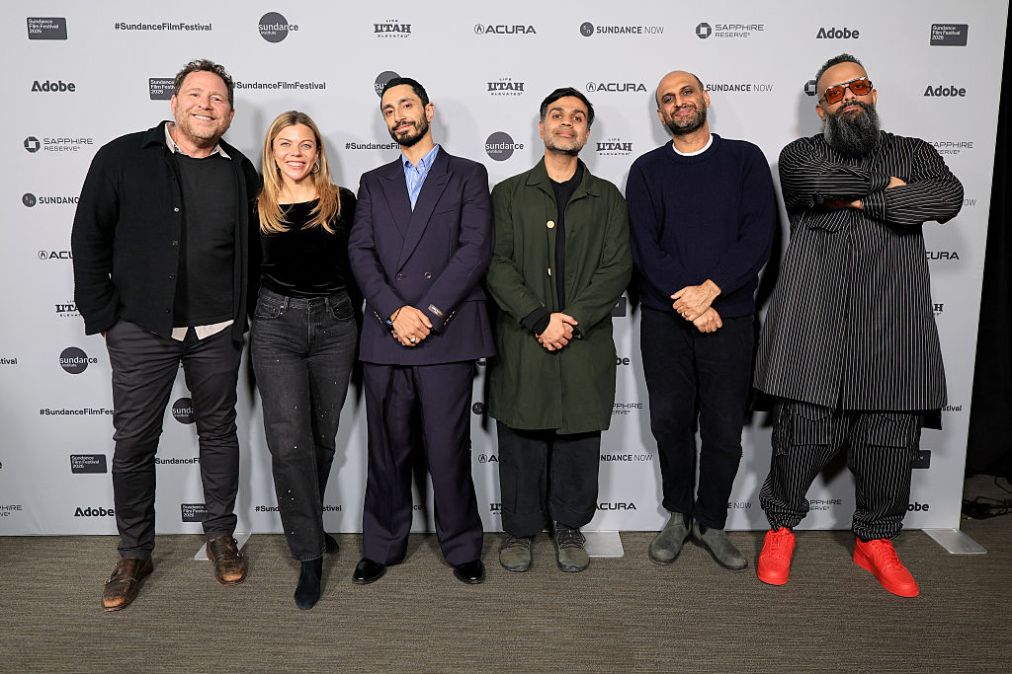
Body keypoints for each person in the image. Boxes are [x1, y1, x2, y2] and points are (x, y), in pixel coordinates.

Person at [753, 54, 963, 597]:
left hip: (894, 323)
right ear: (820, 105)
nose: (848, 97)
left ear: (872, 94)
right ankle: (780, 529)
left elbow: (946, 196)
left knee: (890, 439)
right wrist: (891, 194)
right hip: (813, 323)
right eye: (834, 92)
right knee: (801, 435)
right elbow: (813, 182)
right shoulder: (799, 153)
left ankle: (877, 540)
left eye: (858, 86)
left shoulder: (914, 152)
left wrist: (860, 197)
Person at [71, 59, 260, 611]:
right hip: (140, 329)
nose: (206, 105)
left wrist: (243, 314)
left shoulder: (240, 169)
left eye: (217, 98)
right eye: (195, 95)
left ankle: (220, 534)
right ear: (173, 104)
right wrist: (104, 317)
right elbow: (88, 236)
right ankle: (134, 552)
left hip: (218, 329)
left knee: (219, 435)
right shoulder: (123, 156)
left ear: (229, 112)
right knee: (133, 443)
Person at [625, 71, 777, 570]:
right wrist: (687, 302)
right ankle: (677, 513)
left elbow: (759, 235)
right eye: (667, 99)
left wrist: (710, 293)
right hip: (665, 320)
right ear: (660, 114)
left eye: (686, 92)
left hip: (729, 319)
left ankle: (711, 520)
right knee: (669, 423)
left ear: (705, 98)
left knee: (723, 429)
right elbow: (646, 246)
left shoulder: (745, 158)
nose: (679, 103)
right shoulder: (646, 170)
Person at [347, 77, 494, 585]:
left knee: (449, 447)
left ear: (428, 110)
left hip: (445, 333)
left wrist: (427, 313)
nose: (398, 116)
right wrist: (394, 312)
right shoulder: (373, 181)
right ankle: (382, 545)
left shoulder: (469, 175)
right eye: (389, 110)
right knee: (385, 451)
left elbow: (474, 250)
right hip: (387, 335)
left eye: (406, 105)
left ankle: (462, 546)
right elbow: (360, 252)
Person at [485, 87, 632, 573]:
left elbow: (617, 269)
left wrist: (571, 320)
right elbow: (497, 264)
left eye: (577, 117)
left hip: (584, 342)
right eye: (557, 115)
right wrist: (538, 318)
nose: (566, 123)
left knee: (578, 438)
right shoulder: (507, 194)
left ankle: (570, 526)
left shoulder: (608, 197)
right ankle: (521, 529)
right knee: (522, 437)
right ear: (541, 126)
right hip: (524, 339)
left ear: (587, 132)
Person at [251, 111, 358, 609]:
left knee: (321, 437)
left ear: (318, 152)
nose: (296, 152)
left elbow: (358, 270)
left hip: (337, 325)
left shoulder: (343, 203)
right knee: (289, 442)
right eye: (285, 143)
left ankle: (308, 524)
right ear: (272, 150)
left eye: (306, 144)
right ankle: (309, 556)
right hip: (275, 326)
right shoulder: (255, 207)